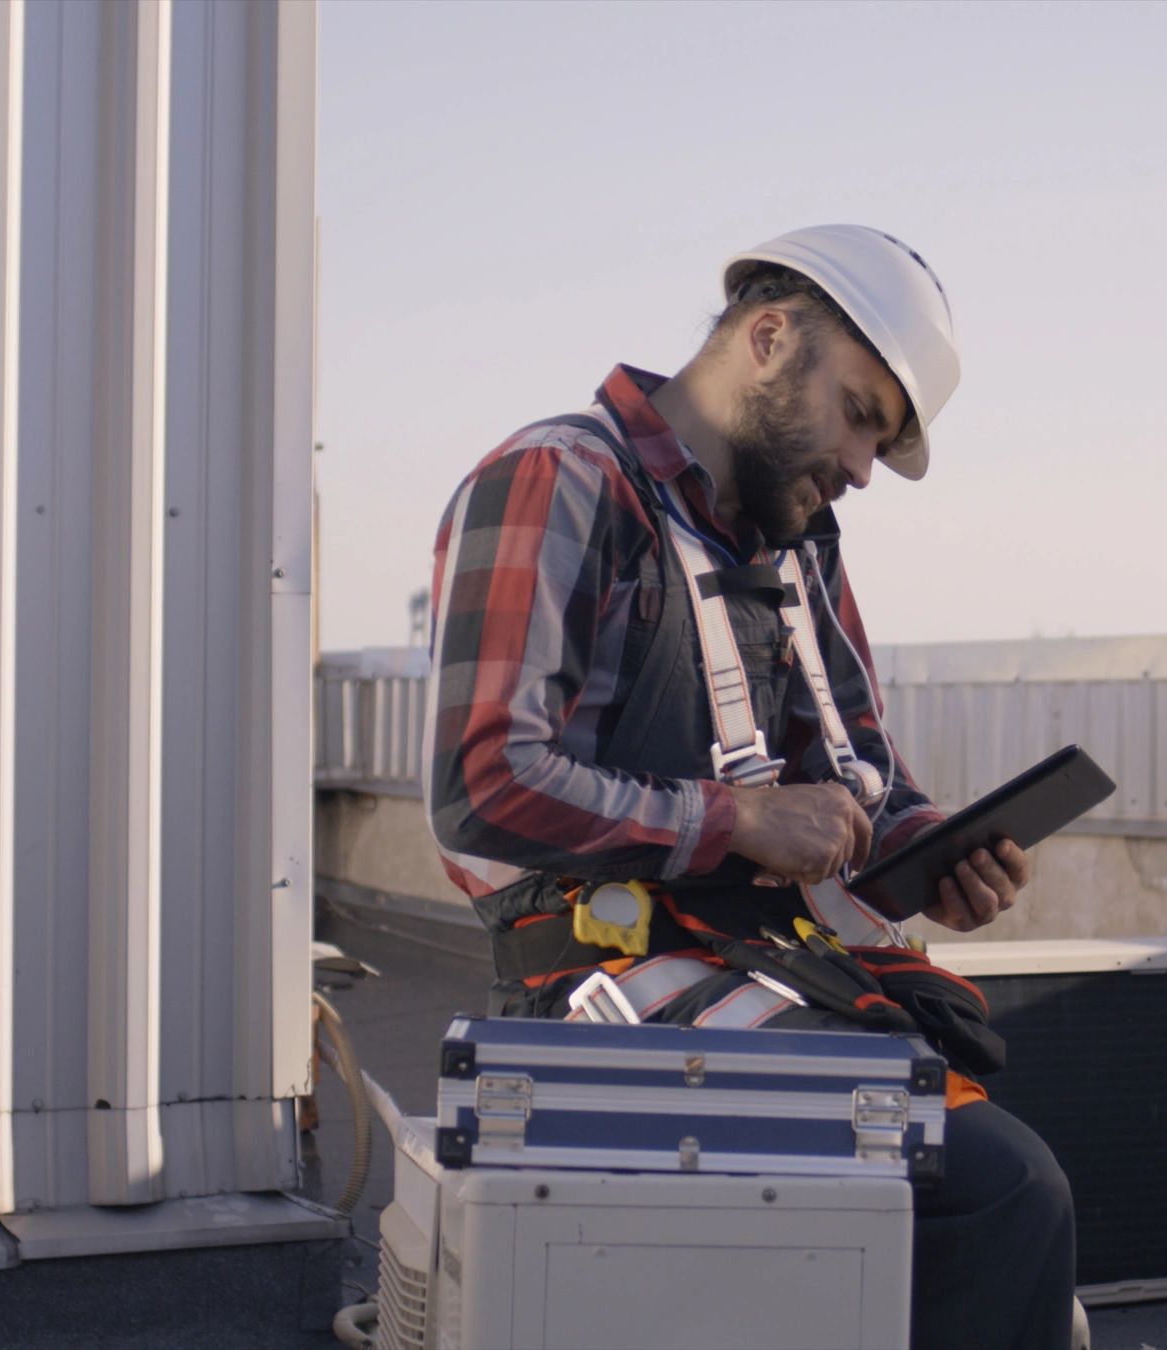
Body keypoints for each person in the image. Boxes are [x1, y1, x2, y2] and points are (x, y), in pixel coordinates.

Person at [424, 225, 1077, 1348]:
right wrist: (738, 822)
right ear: (769, 339)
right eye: (860, 414)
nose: (864, 469)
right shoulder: (557, 480)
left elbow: (858, 774)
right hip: (594, 986)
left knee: (984, 1160)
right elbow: (484, 786)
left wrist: (936, 845)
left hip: (758, 962)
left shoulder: (798, 543)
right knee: (997, 1189)